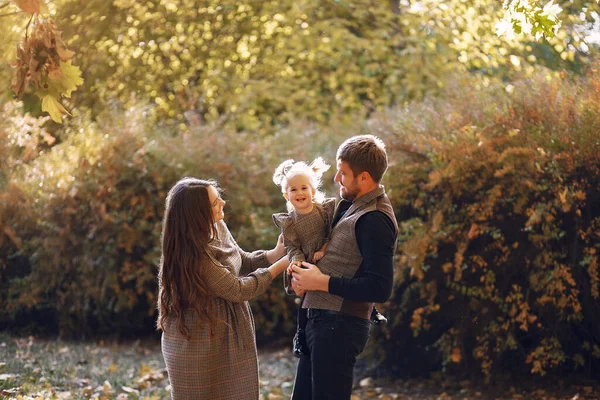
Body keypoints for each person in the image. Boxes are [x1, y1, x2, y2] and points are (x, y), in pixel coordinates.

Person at [156, 177, 289, 400]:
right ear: (197, 214)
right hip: (198, 340)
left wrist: (272, 254)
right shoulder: (195, 255)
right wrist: (277, 268)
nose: (223, 204)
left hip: (224, 332)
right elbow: (237, 289)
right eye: (215, 203)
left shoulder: (216, 225)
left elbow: (239, 259)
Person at [290, 135, 399, 400]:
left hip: (339, 329)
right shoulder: (349, 206)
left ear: (363, 178)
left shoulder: (374, 218)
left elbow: (380, 287)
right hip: (320, 324)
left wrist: (320, 282)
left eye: (343, 172)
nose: (337, 178)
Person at [271, 157, 336, 357]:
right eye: (293, 190)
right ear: (286, 195)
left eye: (303, 188)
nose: (299, 193)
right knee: (306, 301)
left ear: (313, 190)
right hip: (306, 261)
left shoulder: (323, 210)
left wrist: (324, 248)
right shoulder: (290, 222)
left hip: (326, 256)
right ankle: (301, 336)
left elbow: (332, 232)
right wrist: (297, 259)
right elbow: (292, 247)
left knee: (330, 294)